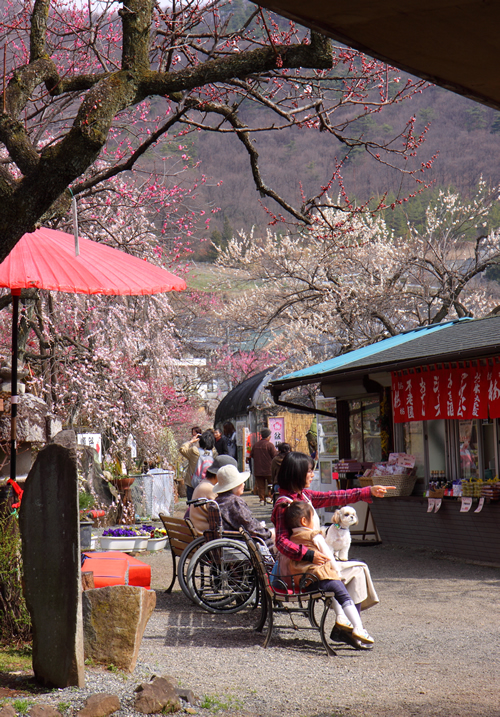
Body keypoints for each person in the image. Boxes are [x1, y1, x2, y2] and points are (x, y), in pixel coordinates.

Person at [271, 451, 395, 649]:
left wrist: (367, 491)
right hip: (301, 568)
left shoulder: (304, 496)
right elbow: (282, 542)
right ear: (297, 473)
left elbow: (334, 497)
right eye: (309, 471)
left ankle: (346, 626)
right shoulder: (285, 504)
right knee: (358, 570)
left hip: (312, 562)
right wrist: (309, 554)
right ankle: (350, 627)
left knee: (359, 569)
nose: (312, 474)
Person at [282, 500, 374, 645]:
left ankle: (342, 619)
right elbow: (329, 556)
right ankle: (358, 627)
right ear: (305, 521)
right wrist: (337, 571)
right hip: (319, 576)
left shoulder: (291, 538)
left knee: (339, 587)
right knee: (344, 587)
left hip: (301, 579)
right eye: (314, 517)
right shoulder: (315, 536)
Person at [214, 464, 274, 550]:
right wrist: (267, 532)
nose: (243, 484)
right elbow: (249, 525)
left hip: (228, 541)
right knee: (277, 535)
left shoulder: (218, 500)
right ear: (234, 486)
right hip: (241, 542)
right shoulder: (234, 502)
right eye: (240, 482)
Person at [189, 455, 238, 535]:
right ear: (218, 475)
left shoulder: (204, 484)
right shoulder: (211, 489)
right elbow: (228, 514)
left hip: (200, 535)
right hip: (206, 537)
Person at [250, 428, 278, 505]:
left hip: (258, 469)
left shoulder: (256, 445)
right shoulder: (270, 445)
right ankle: (269, 497)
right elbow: (275, 456)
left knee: (261, 486)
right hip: (269, 469)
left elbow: (251, 455)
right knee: (271, 484)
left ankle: (262, 500)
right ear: (268, 436)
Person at [179, 428, 202, 501]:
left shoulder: (194, 451)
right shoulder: (211, 453)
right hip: (205, 481)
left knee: (192, 504)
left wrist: (191, 441)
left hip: (192, 480)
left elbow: (182, 449)